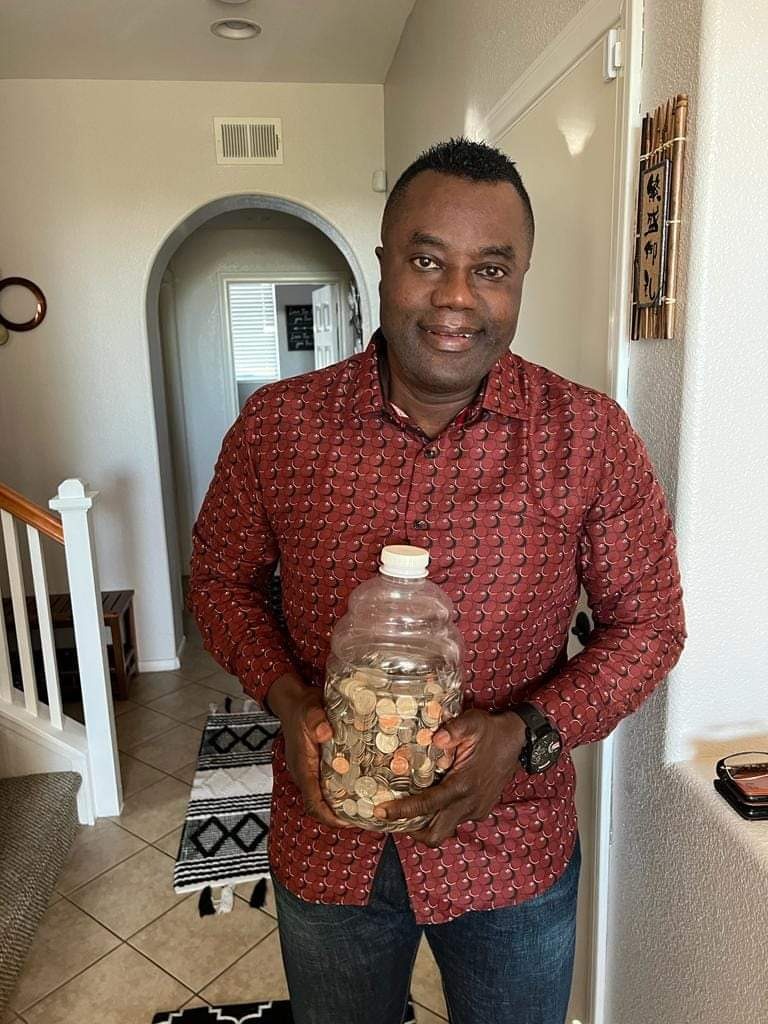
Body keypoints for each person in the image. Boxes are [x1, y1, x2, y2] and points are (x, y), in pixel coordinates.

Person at [188, 137, 686, 1024]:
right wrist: (291, 700)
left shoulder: (588, 437)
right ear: (382, 265)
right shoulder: (277, 427)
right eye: (428, 261)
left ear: (521, 278)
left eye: (491, 269)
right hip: (326, 835)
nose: (458, 297)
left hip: (510, 847)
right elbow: (218, 582)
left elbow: (649, 624)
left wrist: (528, 733)